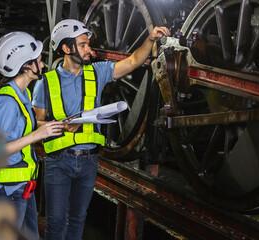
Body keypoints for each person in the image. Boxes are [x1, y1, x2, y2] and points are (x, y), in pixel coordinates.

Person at [32, 19, 169, 240]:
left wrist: (150, 39)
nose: (89, 49)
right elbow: (36, 124)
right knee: (56, 222)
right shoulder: (46, 83)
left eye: (88, 44)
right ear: (67, 48)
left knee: (77, 218)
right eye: (83, 45)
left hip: (89, 161)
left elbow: (133, 61)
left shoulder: (97, 72)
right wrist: (62, 126)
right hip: (59, 161)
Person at [0, 31, 64, 239]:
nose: (42, 65)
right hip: (7, 190)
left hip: (22, 185)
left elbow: (25, 125)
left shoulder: (22, 93)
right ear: (25, 66)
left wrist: (52, 126)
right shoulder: (5, 102)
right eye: (38, 61)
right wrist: (38, 134)